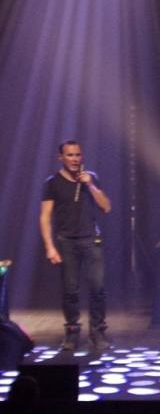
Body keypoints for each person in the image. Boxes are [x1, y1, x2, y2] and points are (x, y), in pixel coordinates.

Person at [39, 140, 112, 351]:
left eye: (78, 155)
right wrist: (49, 246)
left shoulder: (92, 178)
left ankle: (97, 331)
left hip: (91, 240)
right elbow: (45, 217)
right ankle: (72, 331)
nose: (74, 159)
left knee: (98, 288)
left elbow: (107, 207)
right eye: (70, 155)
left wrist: (90, 184)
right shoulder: (52, 183)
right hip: (66, 242)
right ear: (60, 158)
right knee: (70, 290)